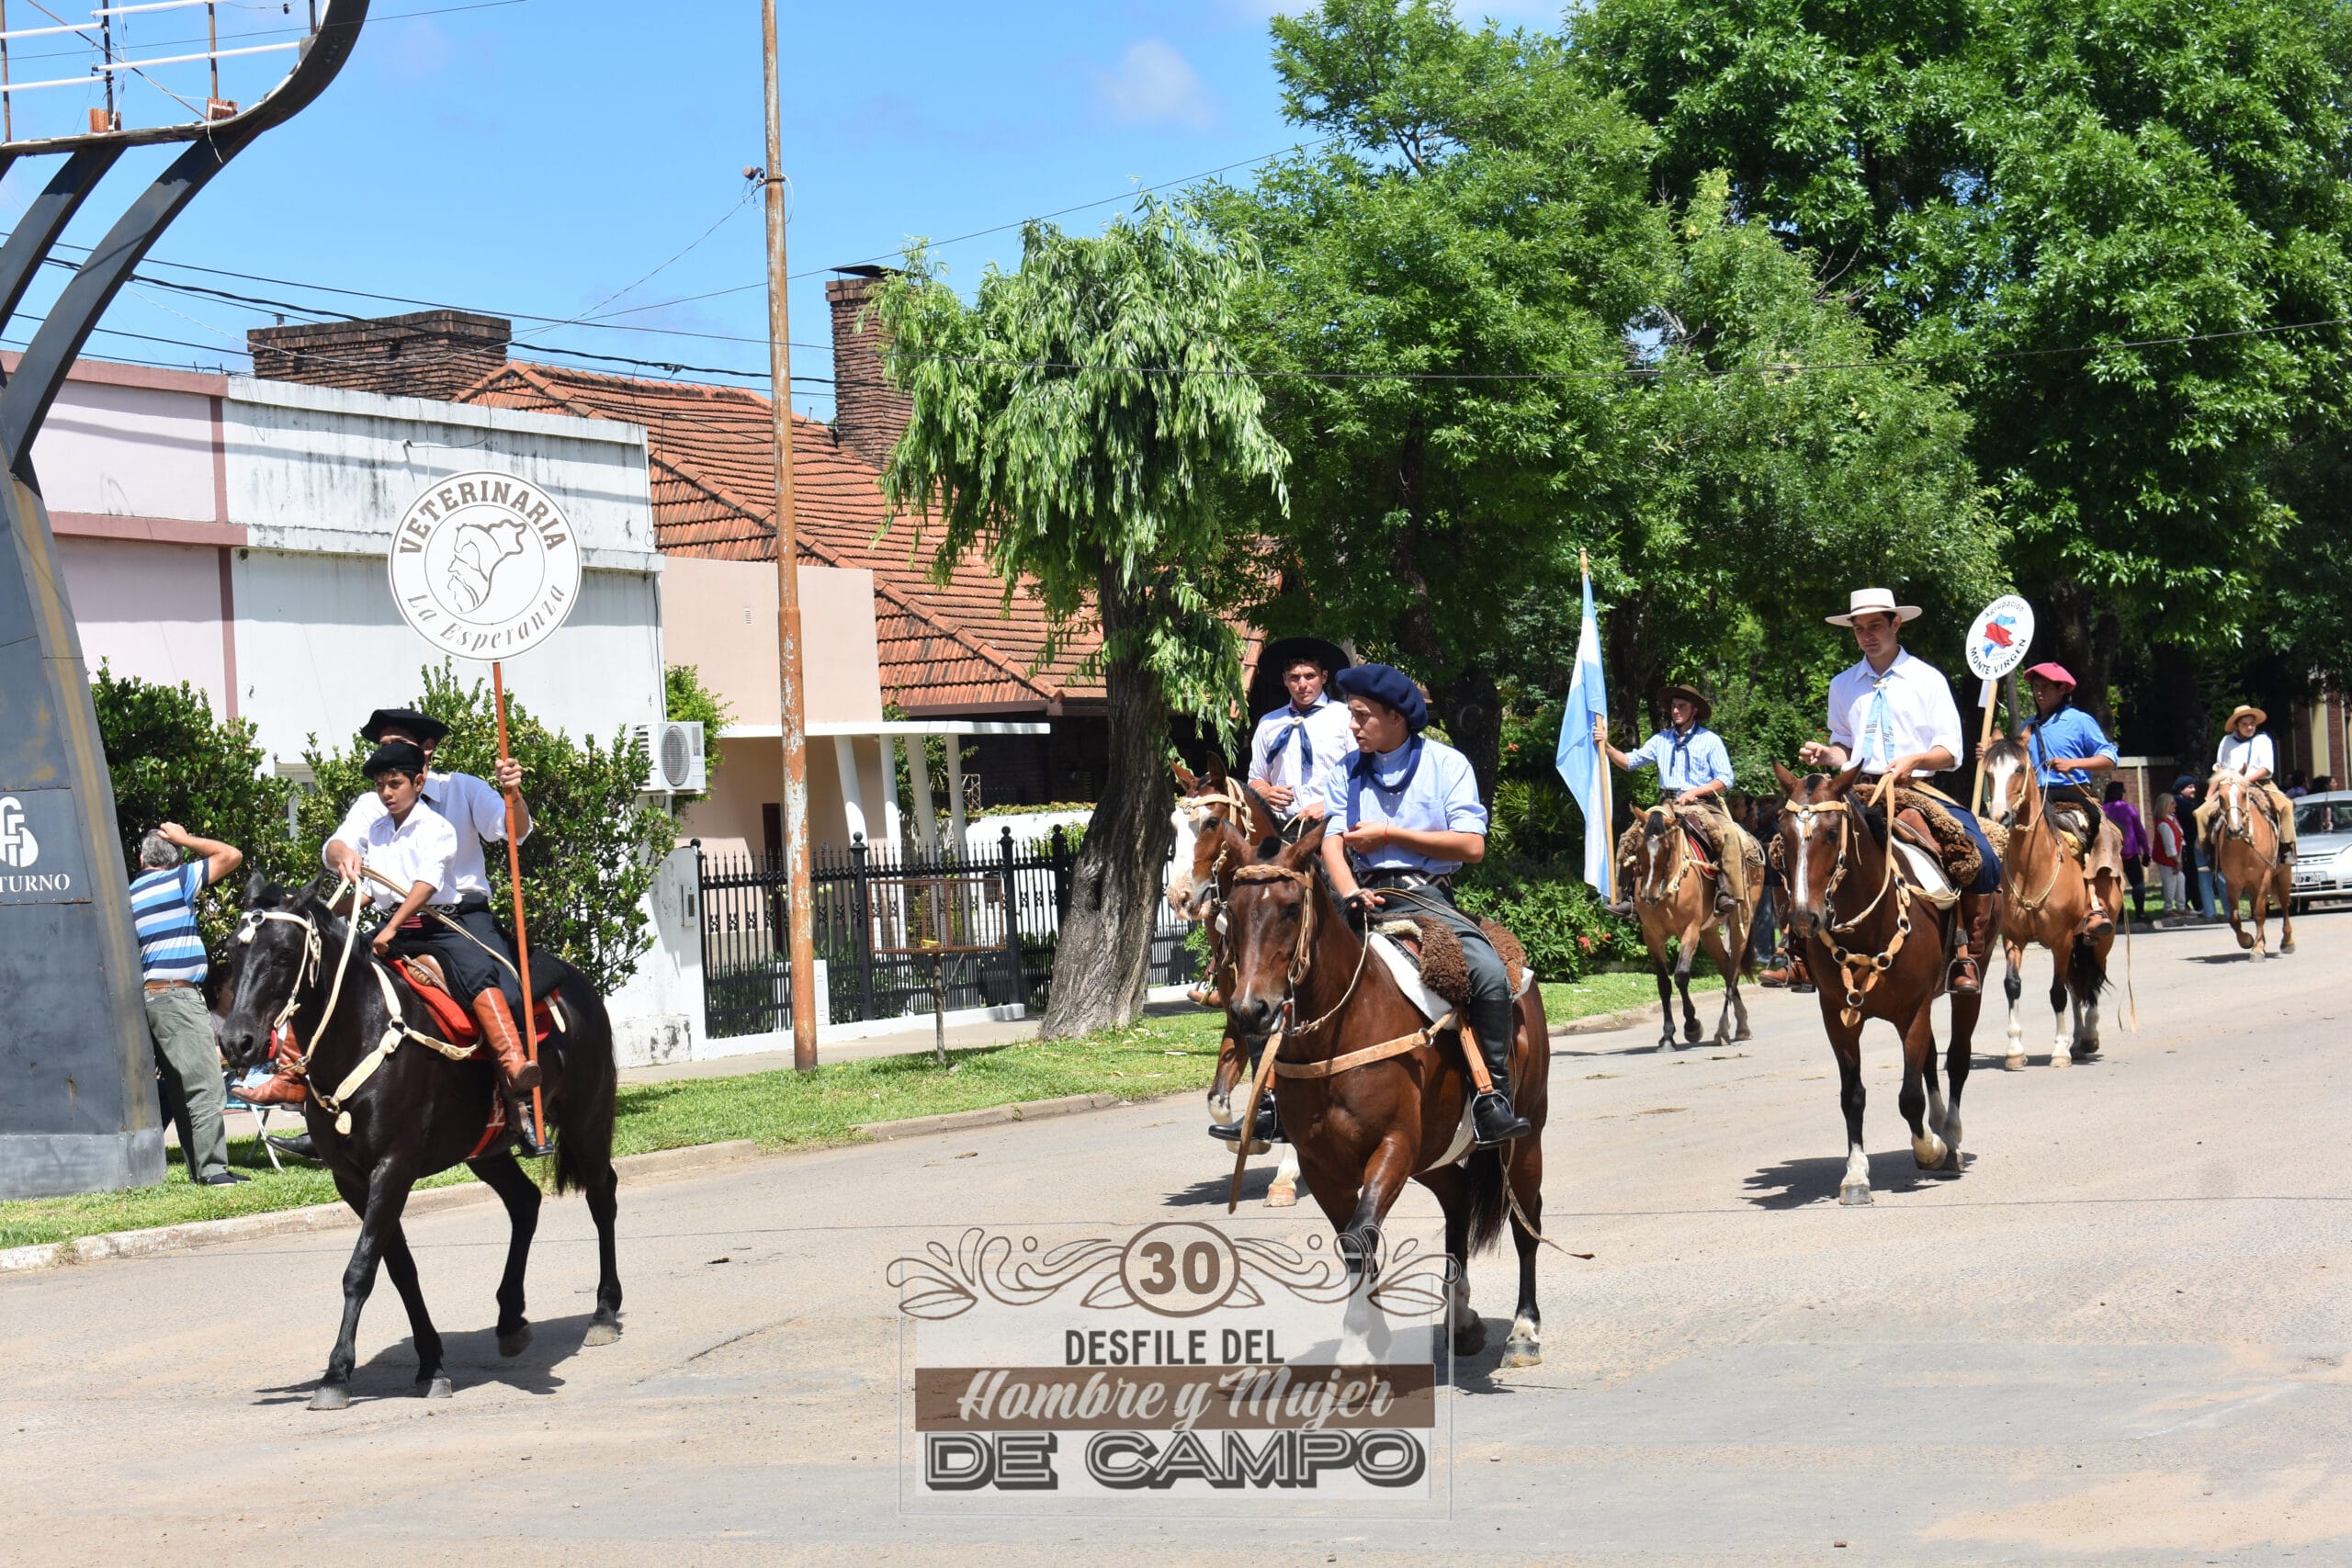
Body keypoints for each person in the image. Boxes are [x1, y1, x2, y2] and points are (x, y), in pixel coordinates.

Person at [311, 708, 548, 1156]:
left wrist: (513, 794)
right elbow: (337, 846)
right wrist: (342, 861)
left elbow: (513, 833)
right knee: (337, 982)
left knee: (498, 984)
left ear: (425, 754)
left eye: (395, 749)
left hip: (459, 917)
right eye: (380, 751)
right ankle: (316, 1102)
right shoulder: (374, 806)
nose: (385, 769)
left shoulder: (462, 789)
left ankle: (521, 1103)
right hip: (395, 918)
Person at [1318, 662, 1530, 1146]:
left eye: (1362, 716)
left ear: (1395, 717)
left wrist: (1389, 834)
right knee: (1288, 966)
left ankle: (1491, 1099)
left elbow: (1472, 846)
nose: (1352, 726)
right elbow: (1332, 842)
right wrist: (1349, 891)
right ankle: (1273, 1099)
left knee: (1487, 971)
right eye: (1351, 715)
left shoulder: (1447, 764)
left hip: (1425, 896)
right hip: (1359, 896)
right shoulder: (1344, 770)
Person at [1796, 587, 2001, 991]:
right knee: (1789, 846)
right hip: (1857, 792)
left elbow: (1950, 751)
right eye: (1859, 629)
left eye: (1875, 625)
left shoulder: (1928, 679)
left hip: (1916, 790)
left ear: (1896, 624)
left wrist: (1914, 760)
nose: (1867, 635)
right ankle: (1795, 952)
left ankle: (1967, 952)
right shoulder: (1843, 684)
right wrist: (1827, 753)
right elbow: (1845, 748)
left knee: (1980, 853)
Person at [130, 822, 247, 1186]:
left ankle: (204, 1170)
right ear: (175, 860)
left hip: (155, 997)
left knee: (182, 1088)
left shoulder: (130, 893)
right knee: (207, 1082)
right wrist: (184, 839)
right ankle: (213, 1170)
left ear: (141, 859)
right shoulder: (177, 880)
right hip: (178, 995)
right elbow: (231, 855)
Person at [1594, 684, 1748, 918]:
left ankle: (1725, 891)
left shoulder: (1711, 740)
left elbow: (1725, 779)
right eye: (1673, 706)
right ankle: (1626, 897)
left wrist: (1696, 791)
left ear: (1694, 710)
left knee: (1728, 833)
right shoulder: (1660, 740)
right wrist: (1606, 745)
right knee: (1629, 837)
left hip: (1702, 803)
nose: (1676, 711)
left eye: (1682, 706)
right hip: (1666, 804)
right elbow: (1629, 762)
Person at [2017, 660, 2125, 934]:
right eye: (2036, 687)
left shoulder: (2079, 720)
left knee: (2100, 834)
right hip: (2035, 799)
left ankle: (2098, 904)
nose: (2039, 692)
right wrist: (1992, 752)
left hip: (2072, 796)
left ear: (2062, 689)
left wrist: (2073, 764)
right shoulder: (2028, 727)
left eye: (2046, 687)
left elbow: (2109, 758)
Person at [1247, 646, 1354, 838]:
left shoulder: (1346, 718)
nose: (1302, 685)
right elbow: (1256, 777)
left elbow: (1361, 774)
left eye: (1310, 676)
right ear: (1284, 679)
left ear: (1324, 676)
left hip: (1333, 824)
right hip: (1281, 827)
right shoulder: (1269, 723)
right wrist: (1264, 792)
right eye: (1294, 677)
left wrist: (1329, 805)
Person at [2193, 705, 2299, 863]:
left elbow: (2265, 768)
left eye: (2252, 723)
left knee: (2285, 805)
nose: (2249, 727)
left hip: (2260, 783)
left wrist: (2243, 781)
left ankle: (2286, 847)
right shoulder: (2226, 741)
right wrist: (2209, 795)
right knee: (2201, 813)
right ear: (2236, 725)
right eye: (2244, 724)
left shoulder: (2263, 740)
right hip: (2230, 786)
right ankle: (2210, 850)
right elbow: (2220, 769)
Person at [2102, 781, 2150, 917]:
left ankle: (2120, 916)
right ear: (2121, 793)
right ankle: (2140, 914)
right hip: (2129, 853)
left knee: (2115, 884)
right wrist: (2147, 851)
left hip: (2110, 854)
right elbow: (2140, 831)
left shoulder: (2102, 810)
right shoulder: (2128, 808)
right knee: (2138, 883)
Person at [2152, 793, 2186, 919]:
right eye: (2172, 803)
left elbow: (2179, 839)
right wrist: (2176, 861)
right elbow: (2169, 846)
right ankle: (2168, 908)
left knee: (2180, 879)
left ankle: (2181, 907)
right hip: (2167, 858)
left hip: (2175, 857)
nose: (2175, 805)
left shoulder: (2172, 819)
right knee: (2170, 883)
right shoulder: (2164, 823)